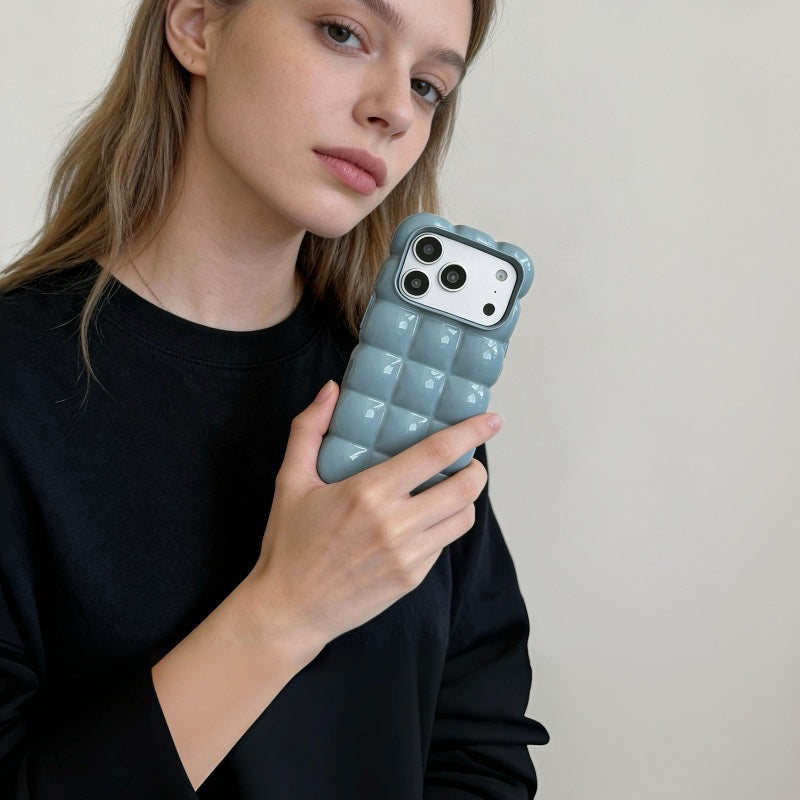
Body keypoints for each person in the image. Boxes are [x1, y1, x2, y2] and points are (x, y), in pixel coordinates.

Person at [0, 0, 548, 797]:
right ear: (196, 24)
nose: (395, 110)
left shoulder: (405, 401)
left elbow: (479, 751)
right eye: (343, 33)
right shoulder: (17, 389)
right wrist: (287, 609)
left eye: (429, 85)